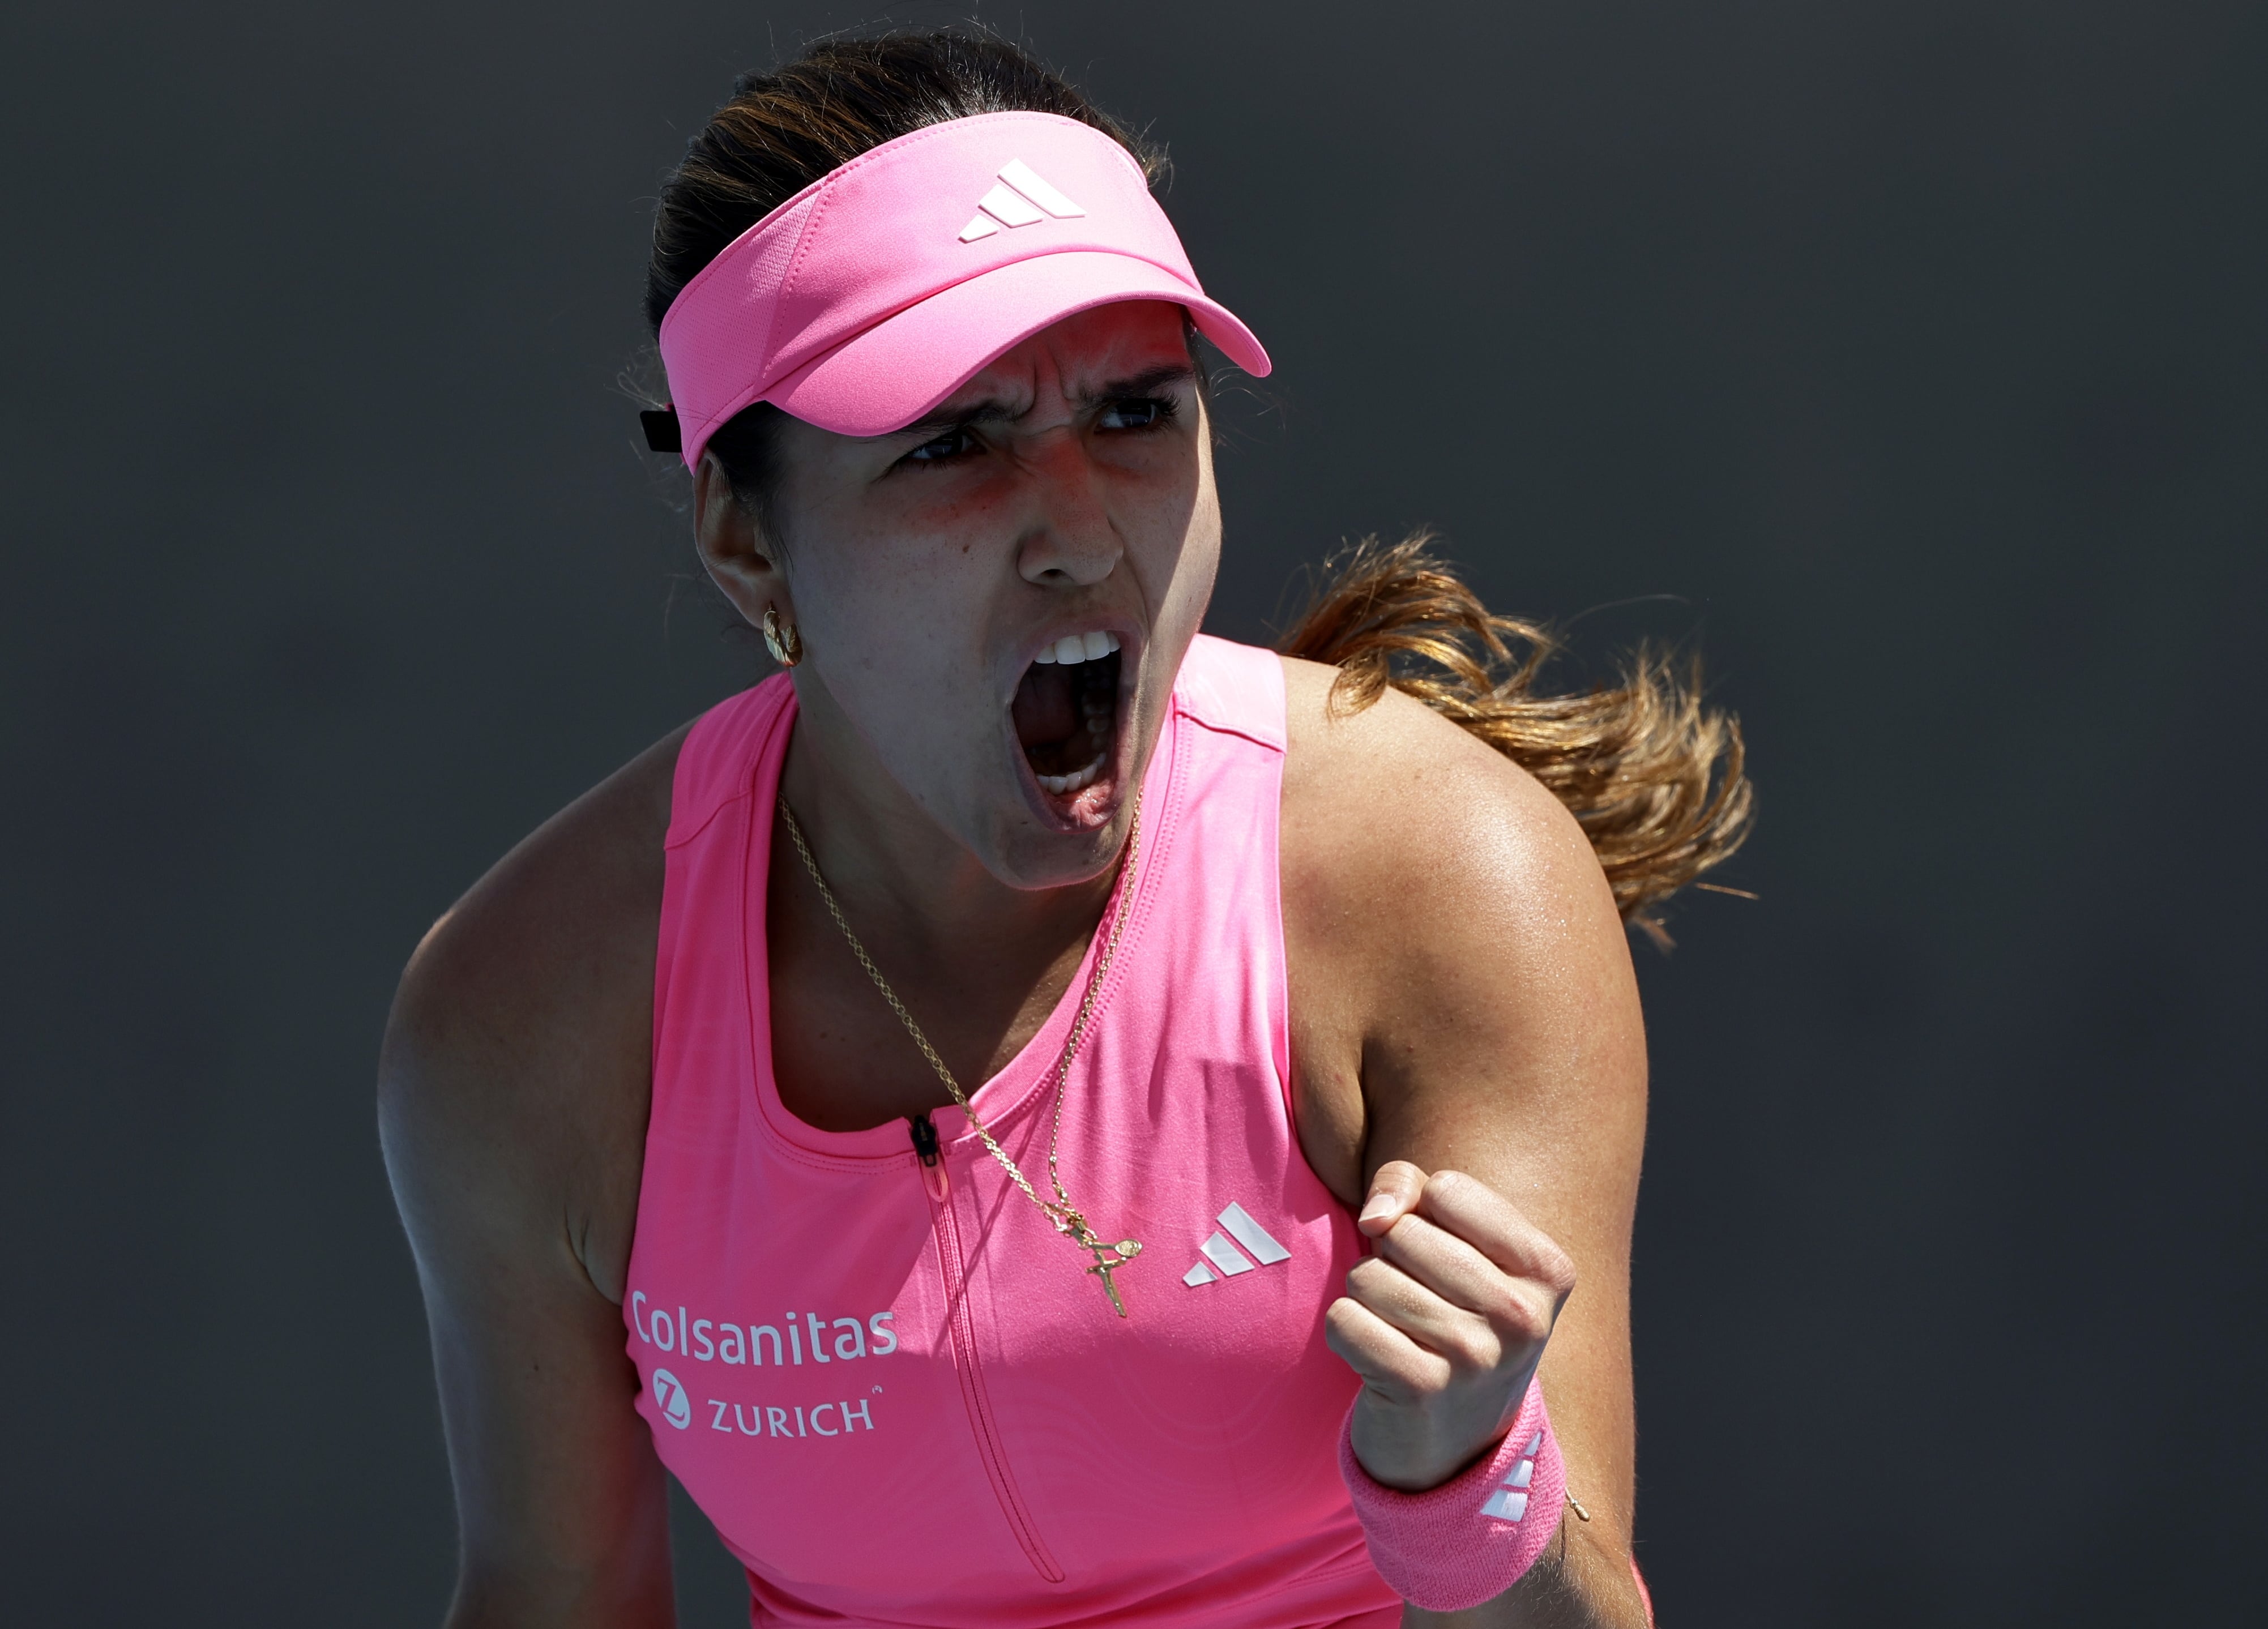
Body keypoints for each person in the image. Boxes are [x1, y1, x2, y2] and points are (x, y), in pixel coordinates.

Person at [379, 31, 1749, 1629]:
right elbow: (551, 1597)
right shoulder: (525, 1014)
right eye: (951, 442)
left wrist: (1466, 1479)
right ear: (748, 543)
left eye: (1136, 411)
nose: (1082, 523)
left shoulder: (1449, 875)